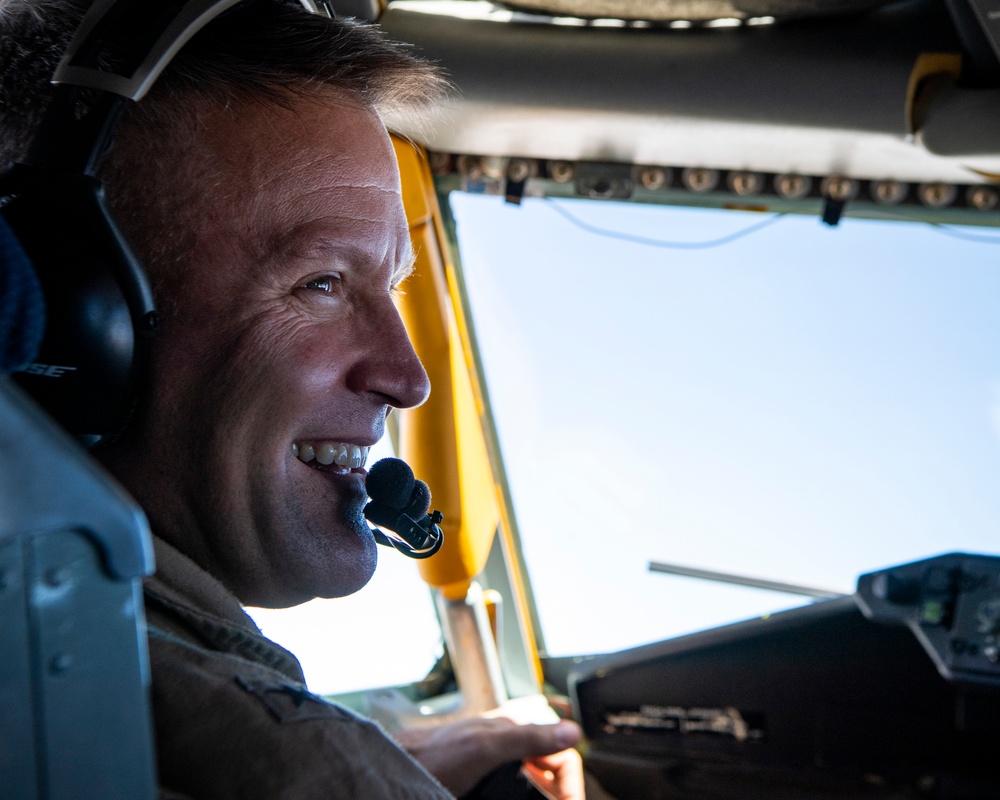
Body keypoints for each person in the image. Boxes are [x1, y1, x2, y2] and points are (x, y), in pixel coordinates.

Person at [0, 0, 586, 797]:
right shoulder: (304, 769)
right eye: (322, 283)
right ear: (71, 318)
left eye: (391, 289)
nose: (407, 378)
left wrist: (397, 762)